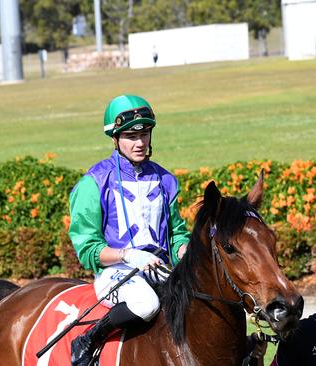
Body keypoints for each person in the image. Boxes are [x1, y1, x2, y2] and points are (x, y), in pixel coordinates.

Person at [68, 95, 190, 366]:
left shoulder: (165, 179)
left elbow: (177, 234)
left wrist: (187, 250)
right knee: (146, 304)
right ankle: (89, 339)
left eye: (144, 134)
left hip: (159, 269)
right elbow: (88, 249)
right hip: (116, 274)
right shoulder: (94, 182)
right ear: (115, 138)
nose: (140, 143)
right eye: (130, 136)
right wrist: (128, 255)